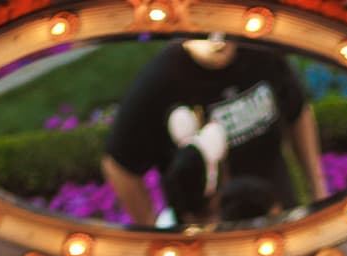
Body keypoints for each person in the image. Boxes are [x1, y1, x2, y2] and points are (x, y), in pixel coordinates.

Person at [102, 35, 326, 231]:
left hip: (277, 214)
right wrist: (150, 232)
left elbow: (297, 110)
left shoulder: (262, 53)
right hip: (210, 242)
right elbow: (119, 166)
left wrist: (318, 190)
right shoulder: (158, 83)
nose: (217, 41)